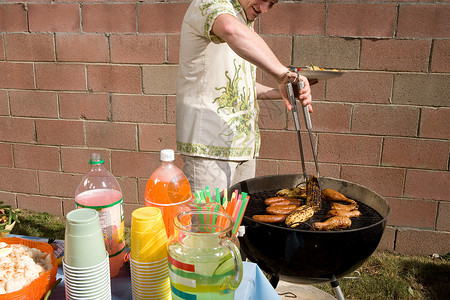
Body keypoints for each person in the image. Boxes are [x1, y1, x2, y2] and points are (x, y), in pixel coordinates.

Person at [176, 0, 312, 194]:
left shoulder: (243, 18)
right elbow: (229, 28)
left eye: (271, 4)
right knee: (210, 223)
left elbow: (241, 84)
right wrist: (283, 74)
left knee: (241, 223)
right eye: (264, 0)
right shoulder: (210, 4)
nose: (264, 9)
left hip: (244, 149)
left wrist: (282, 90)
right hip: (209, 149)